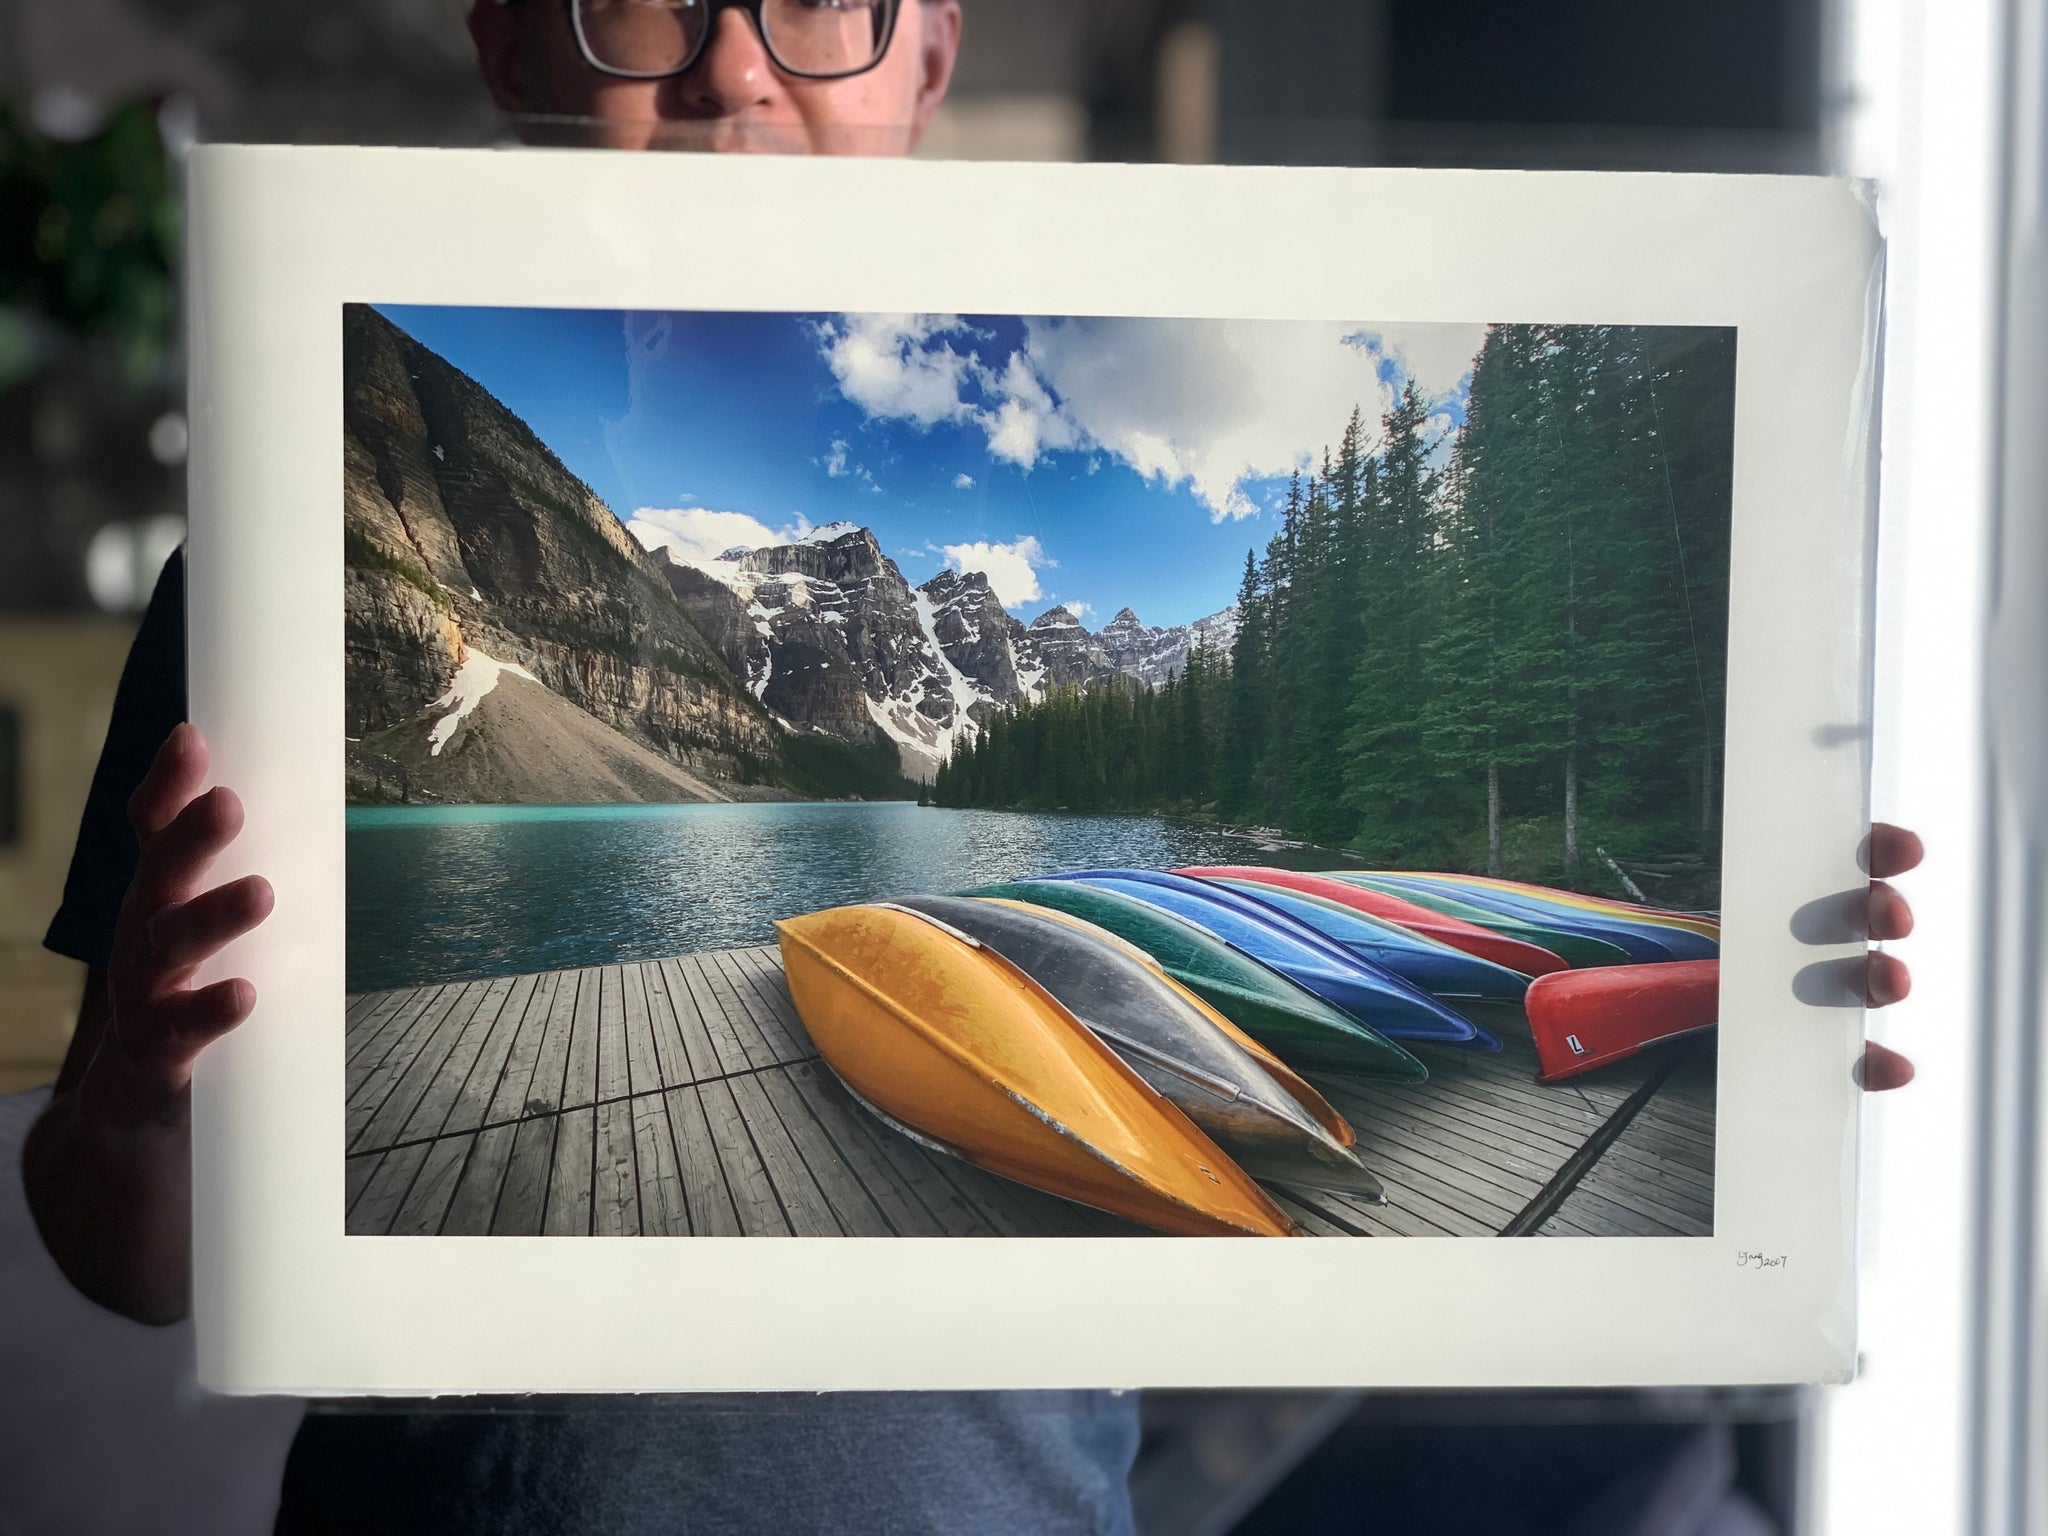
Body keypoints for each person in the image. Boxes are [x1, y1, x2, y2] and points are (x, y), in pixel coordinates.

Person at [5, 2, 1923, 1531]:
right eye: (641, 2)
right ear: (513, 41)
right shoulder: (261, 568)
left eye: (822, 0)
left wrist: (1768, 996)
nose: (736, 63)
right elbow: (131, 1265)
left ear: (928, 52)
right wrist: (140, 1097)